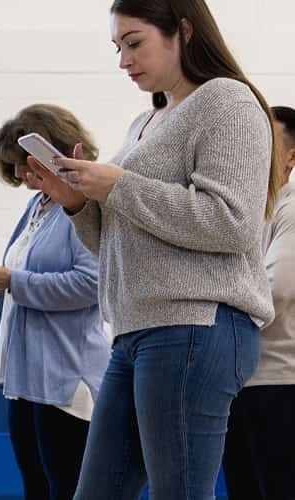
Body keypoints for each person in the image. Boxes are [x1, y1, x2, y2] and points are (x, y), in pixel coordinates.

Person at [27, 0, 276, 496]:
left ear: (183, 30)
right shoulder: (147, 123)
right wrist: (79, 205)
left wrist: (117, 186)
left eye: (134, 42)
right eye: (118, 47)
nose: (123, 60)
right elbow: (116, 245)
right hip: (137, 330)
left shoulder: (227, 101)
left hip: (193, 324)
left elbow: (231, 224)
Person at [0, 104, 108, 500]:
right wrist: (1, 282)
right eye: (17, 169)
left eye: (27, 167)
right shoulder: (39, 206)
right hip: (26, 376)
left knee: (66, 487)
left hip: (65, 375)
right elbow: (27, 274)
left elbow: (91, 283)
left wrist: (15, 281)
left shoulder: (83, 205)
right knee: (36, 486)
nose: (22, 178)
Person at [222, 105, 295, 499]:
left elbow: (276, 290)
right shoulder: (247, 208)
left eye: (268, 142)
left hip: (278, 385)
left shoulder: (291, 208)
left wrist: (218, 324)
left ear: (291, 157)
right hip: (239, 380)